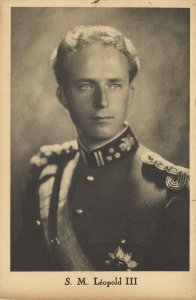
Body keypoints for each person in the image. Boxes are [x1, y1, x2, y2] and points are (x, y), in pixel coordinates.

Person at [12, 25, 189, 271]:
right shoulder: (46, 173)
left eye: (115, 85)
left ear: (131, 92)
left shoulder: (172, 192)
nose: (102, 101)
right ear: (63, 96)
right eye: (86, 85)